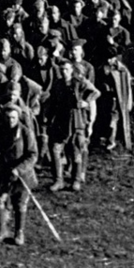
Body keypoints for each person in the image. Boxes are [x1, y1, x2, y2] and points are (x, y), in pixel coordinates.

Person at [0, 101, 38, 246]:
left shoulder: (26, 132)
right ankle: (2, 229)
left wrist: (19, 169)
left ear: (18, 117)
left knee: (19, 204)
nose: (10, 121)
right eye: (7, 117)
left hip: (22, 176)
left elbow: (33, 155)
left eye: (13, 118)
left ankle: (19, 232)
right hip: (2, 174)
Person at [45, 61, 99, 191]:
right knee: (55, 149)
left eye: (67, 69)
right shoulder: (58, 83)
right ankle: (58, 180)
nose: (64, 72)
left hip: (76, 121)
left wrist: (86, 102)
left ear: (72, 70)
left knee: (76, 151)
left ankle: (76, 180)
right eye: (62, 69)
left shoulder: (79, 82)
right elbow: (52, 102)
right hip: (60, 121)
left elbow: (96, 92)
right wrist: (48, 118)